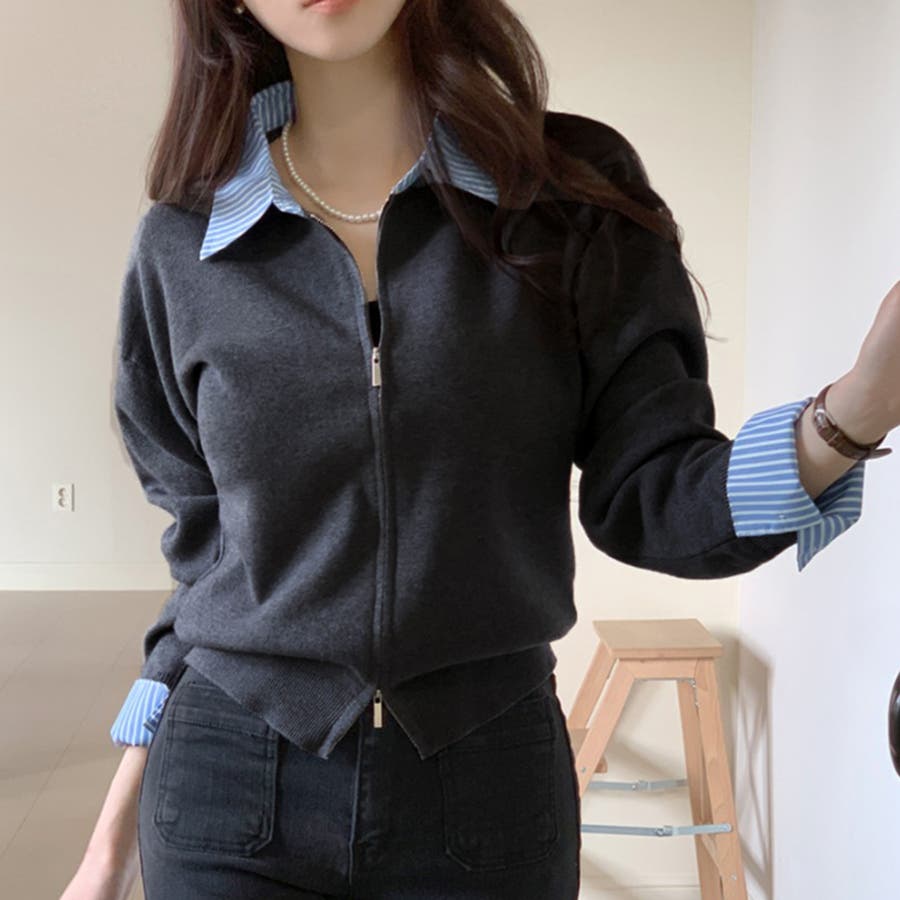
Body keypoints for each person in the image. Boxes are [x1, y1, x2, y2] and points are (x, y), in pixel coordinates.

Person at [62, 1, 900, 898]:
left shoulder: (570, 198)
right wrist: (109, 846)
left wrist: (854, 413)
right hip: (229, 790)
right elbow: (205, 563)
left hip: (488, 789)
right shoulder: (181, 244)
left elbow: (654, 497)